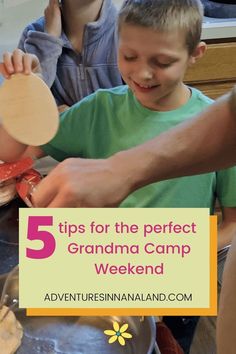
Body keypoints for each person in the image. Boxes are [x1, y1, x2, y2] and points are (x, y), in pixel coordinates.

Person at [1, 1, 236, 352]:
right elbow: (14, 154)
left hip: (173, 291)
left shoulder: (216, 132)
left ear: (195, 54)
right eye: (129, 57)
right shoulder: (98, 109)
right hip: (98, 281)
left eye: (162, 62)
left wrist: (174, 258)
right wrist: (25, 93)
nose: (143, 74)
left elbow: (232, 224)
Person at [17, 0, 123, 109]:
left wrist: (70, 120)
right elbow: (22, 112)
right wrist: (49, 40)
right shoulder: (33, 35)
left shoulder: (129, 32)